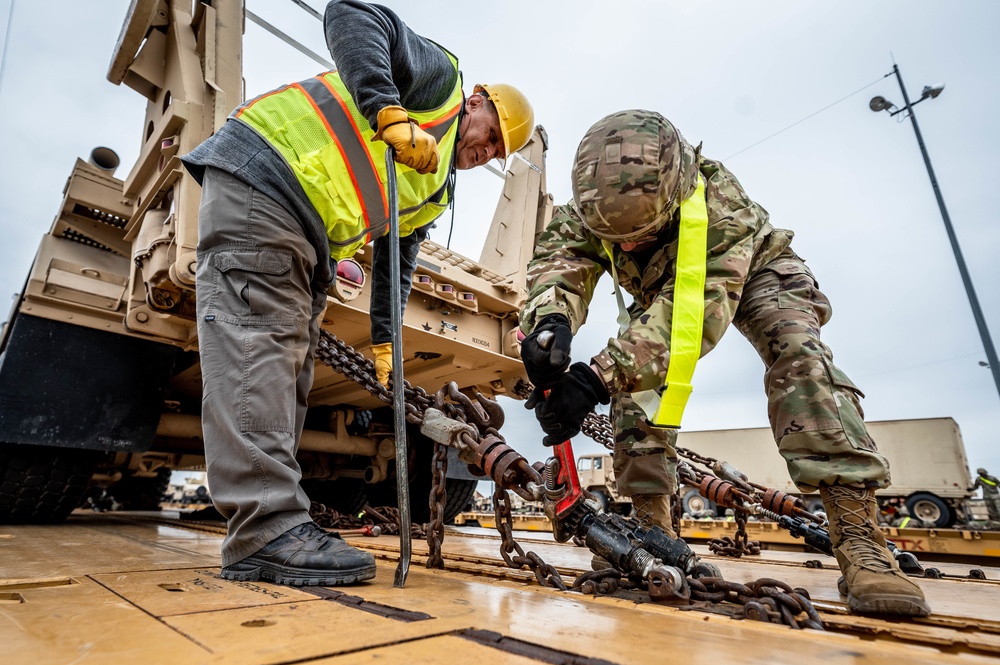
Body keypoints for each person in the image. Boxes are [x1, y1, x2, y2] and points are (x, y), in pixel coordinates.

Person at [518, 109, 929, 617]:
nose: (623, 248)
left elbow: (689, 322)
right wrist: (549, 321)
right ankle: (653, 527)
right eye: (613, 239)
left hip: (752, 270)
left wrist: (595, 376)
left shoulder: (718, 211)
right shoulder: (600, 202)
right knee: (642, 392)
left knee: (798, 356)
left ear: (672, 198)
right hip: (669, 287)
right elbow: (560, 256)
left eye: (636, 236)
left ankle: (863, 545)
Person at [181, 0, 533, 586]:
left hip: (304, 231)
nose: (487, 151)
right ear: (476, 102)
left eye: (498, 151)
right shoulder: (438, 83)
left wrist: (384, 343)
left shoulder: (434, 183)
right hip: (267, 178)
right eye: (490, 134)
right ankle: (265, 533)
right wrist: (388, 111)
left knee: (286, 370)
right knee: (259, 353)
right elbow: (351, 12)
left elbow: (397, 264)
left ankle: (273, 526)